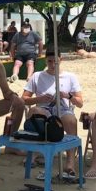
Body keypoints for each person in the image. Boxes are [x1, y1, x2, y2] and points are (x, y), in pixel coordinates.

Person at [22, 48, 84, 179]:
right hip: (44, 109)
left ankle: (70, 162)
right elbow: (24, 99)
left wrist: (68, 96)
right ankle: (34, 154)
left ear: (60, 60)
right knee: (34, 111)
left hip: (62, 109)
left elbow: (80, 103)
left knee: (71, 121)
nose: (52, 64)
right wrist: (40, 98)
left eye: (54, 61)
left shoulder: (70, 77)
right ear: (45, 61)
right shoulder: (37, 76)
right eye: (49, 61)